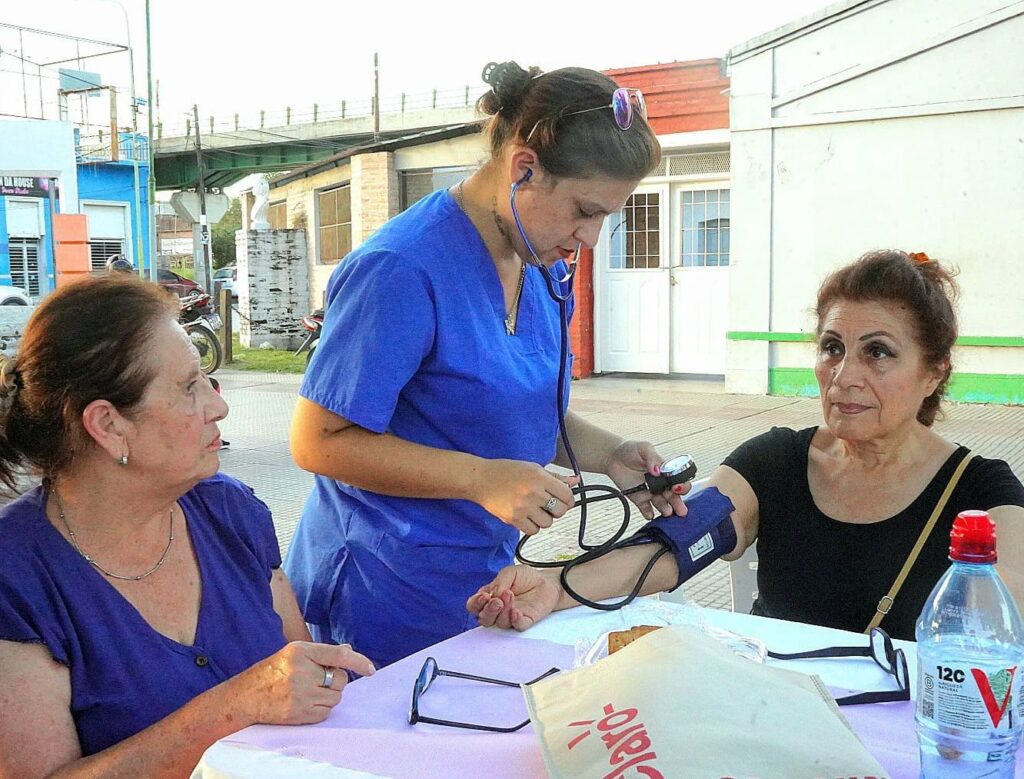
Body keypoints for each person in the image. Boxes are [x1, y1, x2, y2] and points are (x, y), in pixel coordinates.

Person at [285, 61, 688, 669]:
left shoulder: (540, 263)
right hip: (381, 588)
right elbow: (318, 442)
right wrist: (480, 479)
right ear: (523, 166)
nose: (591, 238)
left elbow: (504, 411)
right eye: (584, 210)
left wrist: (609, 454)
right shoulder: (400, 270)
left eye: (608, 216)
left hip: (484, 582)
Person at [468, 250, 1024, 641]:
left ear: (934, 373)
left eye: (878, 352)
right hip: (771, 715)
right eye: (833, 348)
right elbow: (677, 544)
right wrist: (553, 587)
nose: (844, 375)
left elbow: (1005, 642)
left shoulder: (984, 492)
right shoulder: (776, 461)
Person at [0, 275, 373, 778]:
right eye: (189, 387)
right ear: (108, 426)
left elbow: (309, 684)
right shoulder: (16, 576)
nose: (218, 406)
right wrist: (235, 706)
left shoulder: (230, 512)